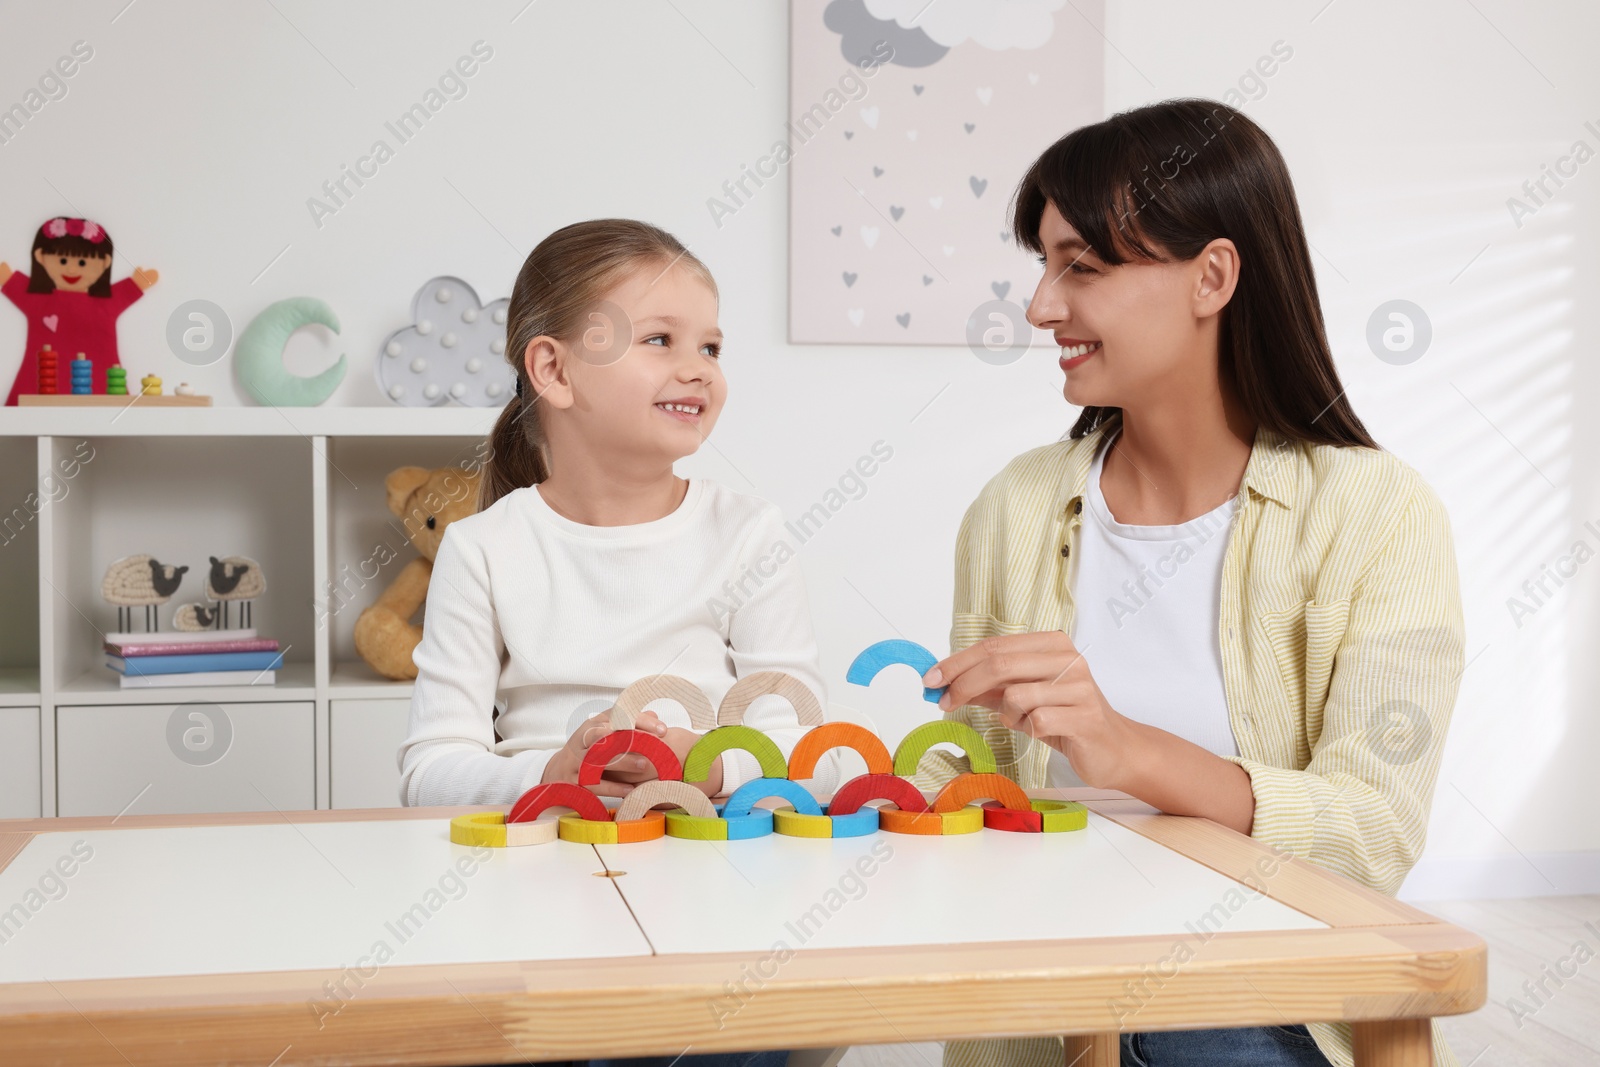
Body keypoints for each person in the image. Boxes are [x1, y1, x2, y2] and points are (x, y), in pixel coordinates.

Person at [912, 99, 1465, 1067]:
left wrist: (1124, 749)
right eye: (1042, 265)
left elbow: (1373, 829)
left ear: (1212, 276)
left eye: (1080, 266)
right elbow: (967, 780)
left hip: (1259, 995)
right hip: (1047, 1011)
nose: (1041, 305)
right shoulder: (1014, 508)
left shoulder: (1376, 513)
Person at [398, 218, 839, 1067]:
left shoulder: (749, 534)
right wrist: (551, 776)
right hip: (536, 893)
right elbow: (428, 774)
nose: (697, 368)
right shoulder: (484, 547)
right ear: (554, 369)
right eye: (661, 339)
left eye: (710, 345)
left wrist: (706, 761)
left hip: (713, 896)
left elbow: (816, 753)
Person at [0, 216, 158, 404]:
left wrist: (136, 283)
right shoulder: (39, 299)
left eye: (82, 263)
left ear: (105, 263)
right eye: (63, 261)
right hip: (40, 383)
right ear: (40, 256)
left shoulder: (103, 302)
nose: (72, 270)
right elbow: (11, 284)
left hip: (98, 379)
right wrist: (6, 278)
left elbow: (127, 291)